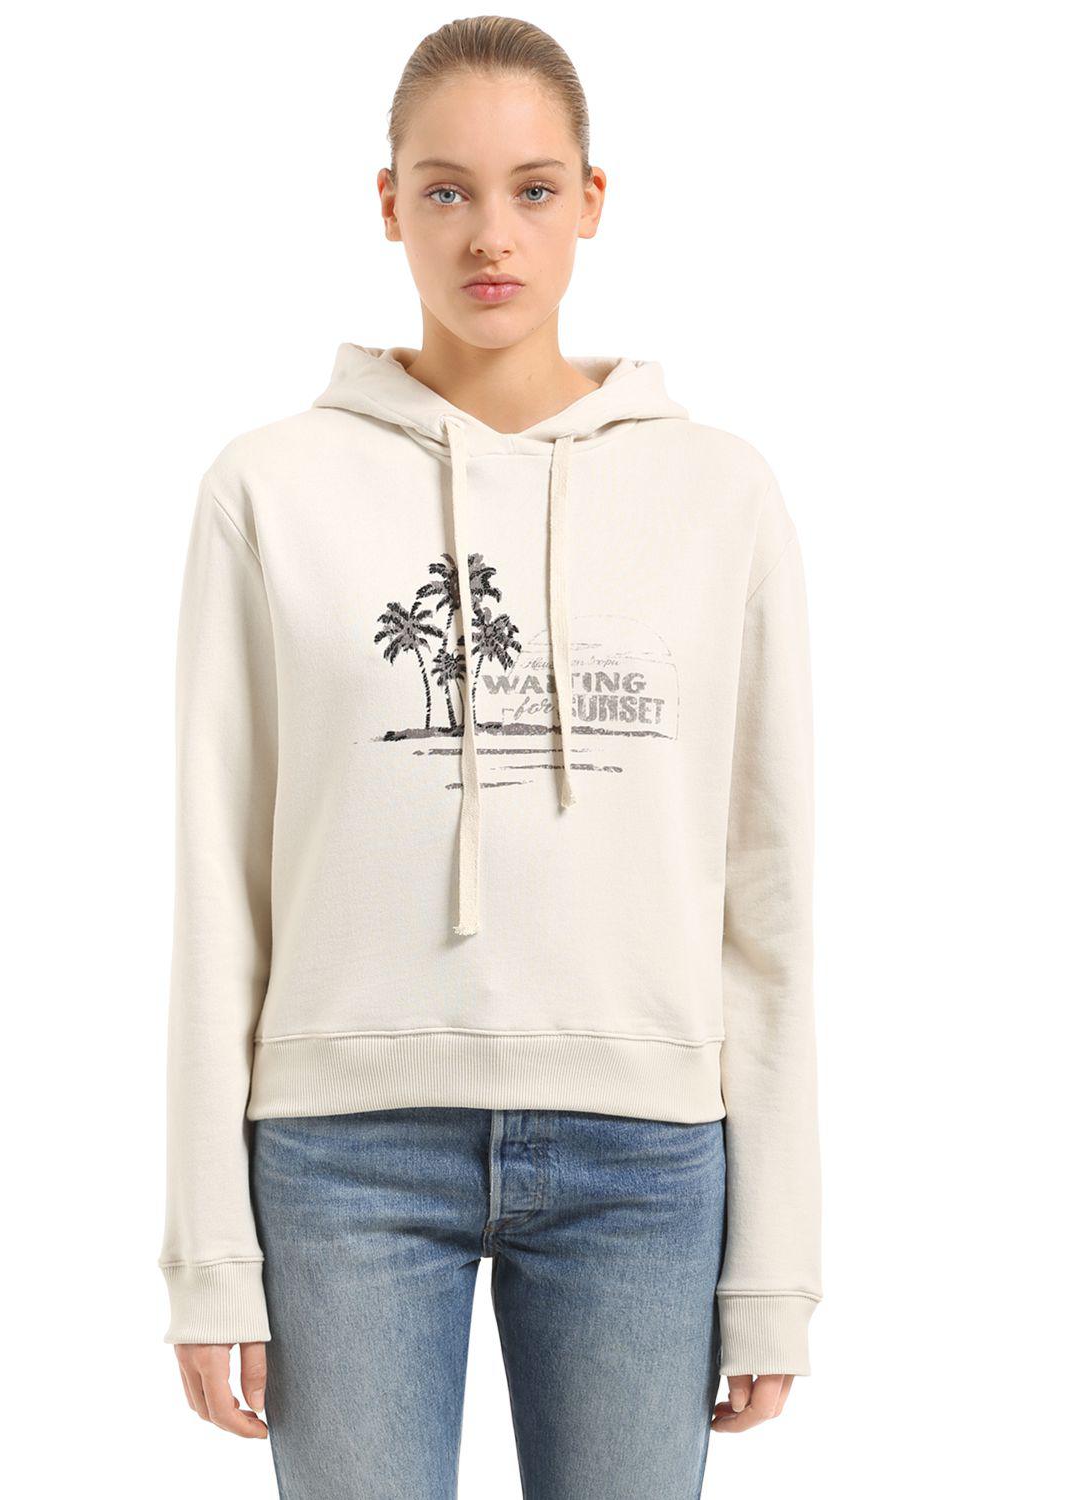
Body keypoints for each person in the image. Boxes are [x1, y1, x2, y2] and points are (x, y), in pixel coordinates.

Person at [157, 15, 823, 1498]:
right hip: (341, 1154)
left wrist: (775, 1261)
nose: (490, 235)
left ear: (593, 199)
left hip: (645, 1155)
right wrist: (208, 1253)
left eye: (533, 188)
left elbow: (767, 895)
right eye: (445, 189)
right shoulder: (268, 488)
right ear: (387, 203)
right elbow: (217, 876)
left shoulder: (718, 493)